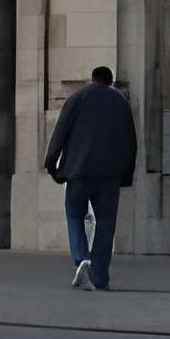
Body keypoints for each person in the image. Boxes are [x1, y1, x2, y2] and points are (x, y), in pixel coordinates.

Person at [43, 66, 137, 291]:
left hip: (78, 172)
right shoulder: (121, 102)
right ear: (110, 81)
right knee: (106, 225)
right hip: (109, 176)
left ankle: (81, 256)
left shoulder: (78, 98)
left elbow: (60, 133)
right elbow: (131, 142)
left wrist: (51, 164)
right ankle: (100, 278)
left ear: (92, 79)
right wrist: (125, 175)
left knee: (74, 214)